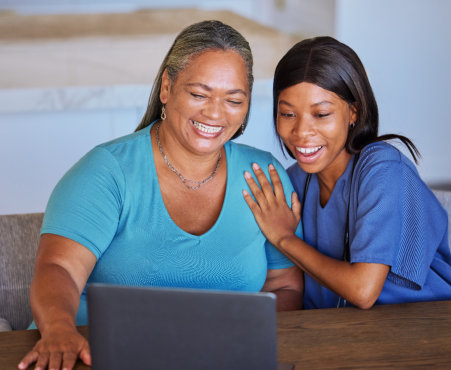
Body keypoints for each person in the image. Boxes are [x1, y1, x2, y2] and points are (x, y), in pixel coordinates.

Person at [19, 20, 303, 370]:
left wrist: (236, 335)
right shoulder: (106, 172)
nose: (215, 112)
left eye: (234, 99)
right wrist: (60, 330)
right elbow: (58, 268)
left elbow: (285, 285)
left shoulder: (264, 176)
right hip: (92, 354)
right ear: (167, 87)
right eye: (199, 94)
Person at [243, 36, 451, 310]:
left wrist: (285, 238)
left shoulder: (383, 168)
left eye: (321, 114)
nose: (302, 132)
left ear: (353, 112)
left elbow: (363, 291)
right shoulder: (294, 181)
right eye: (288, 114)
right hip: (339, 335)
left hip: (421, 327)